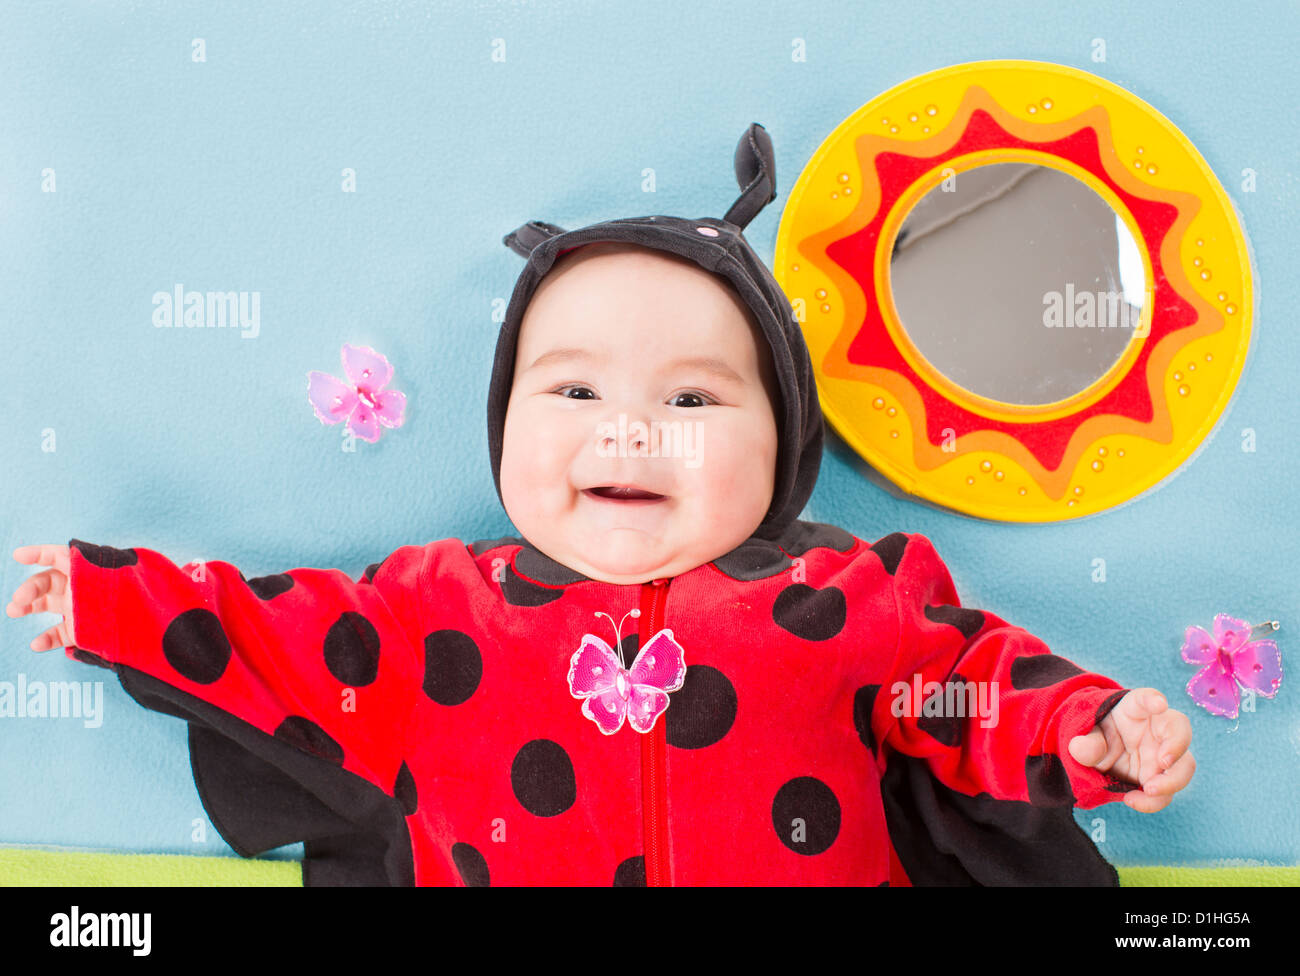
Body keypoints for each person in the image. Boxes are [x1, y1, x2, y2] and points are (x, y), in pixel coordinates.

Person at [6, 124, 1193, 886]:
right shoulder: (435, 615)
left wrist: (1082, 731)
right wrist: (109, 595)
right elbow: (270, 640)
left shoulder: (855, 603)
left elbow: (970, 691)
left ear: (782, 449)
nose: (628, 428)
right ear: (507, 429)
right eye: (573, 387)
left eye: (691, 396)